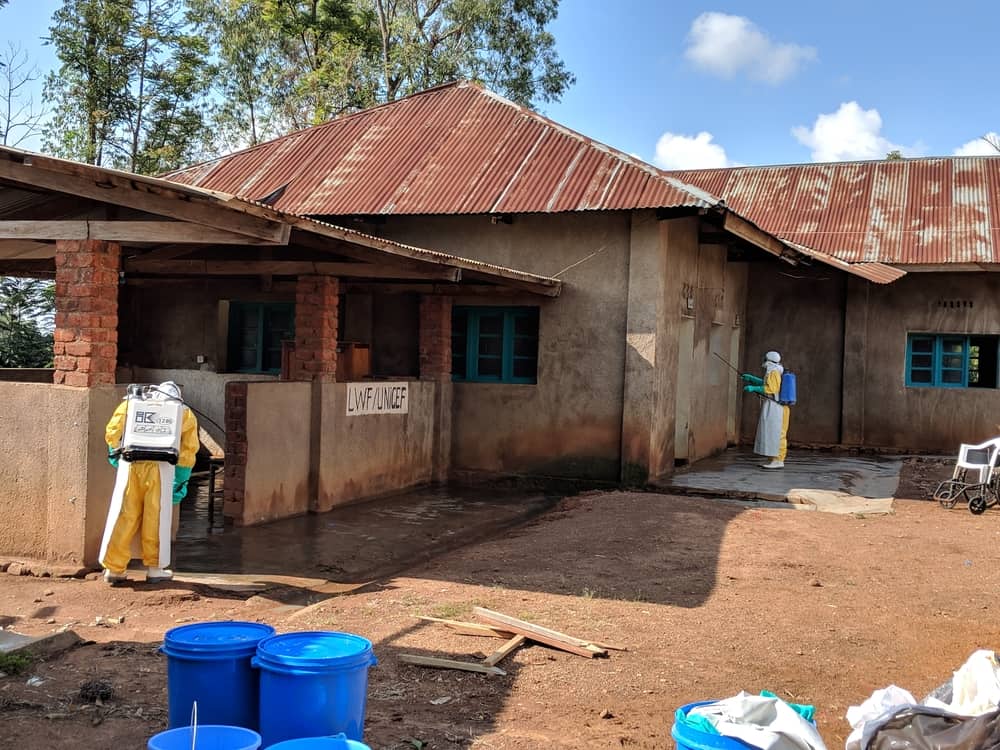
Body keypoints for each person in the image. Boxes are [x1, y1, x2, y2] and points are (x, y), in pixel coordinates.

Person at [99, 381, 199, 584]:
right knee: (158, 517)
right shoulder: (184, 413)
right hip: (163, 468)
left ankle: (114, 568)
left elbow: (113, 430)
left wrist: (114, 452)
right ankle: (155, 569)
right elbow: (188, 449)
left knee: (124, 515)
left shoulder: (131, 403)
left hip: (131, 464)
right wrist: (181, 478)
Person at [742, 351, 789, 469]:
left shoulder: (773, 371)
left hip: (776, 407)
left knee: (778, 434)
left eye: (765, 358)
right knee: (773, 433)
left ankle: (779, 460)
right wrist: (753, 379)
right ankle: (774, 459)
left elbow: (771, 389)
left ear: (769, 359)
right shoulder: (774, 370)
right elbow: (767, 384)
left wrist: (753, 388)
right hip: (775, 406)